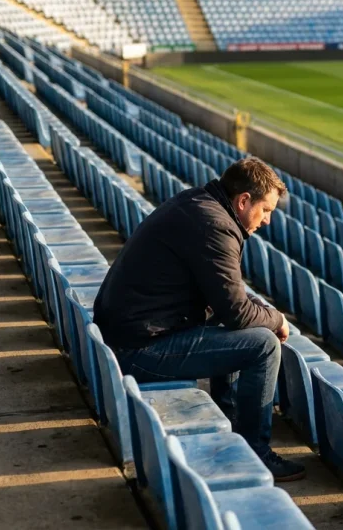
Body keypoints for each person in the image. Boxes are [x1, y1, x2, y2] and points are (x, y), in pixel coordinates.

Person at [93, 157, 306, 481]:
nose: (267, 221)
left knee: (244, 323)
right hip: (138, 349)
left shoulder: (200, 205)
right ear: (244, 200)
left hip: (128, 333)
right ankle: (257, 454)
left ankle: (228, 416)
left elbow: (226, 295)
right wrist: (276, 319)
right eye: (266, 210)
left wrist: (261, 310)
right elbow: (236, 312)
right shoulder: (216, 226)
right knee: (263, 345)